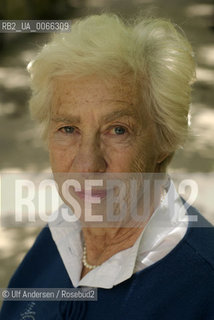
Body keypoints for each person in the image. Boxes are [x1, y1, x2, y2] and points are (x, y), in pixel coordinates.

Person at [1, 13, 214, 320]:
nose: (87, 165)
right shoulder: (62, 234)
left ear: (165, 139)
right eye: (68, 129)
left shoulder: (203, 289)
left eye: (118, 130)